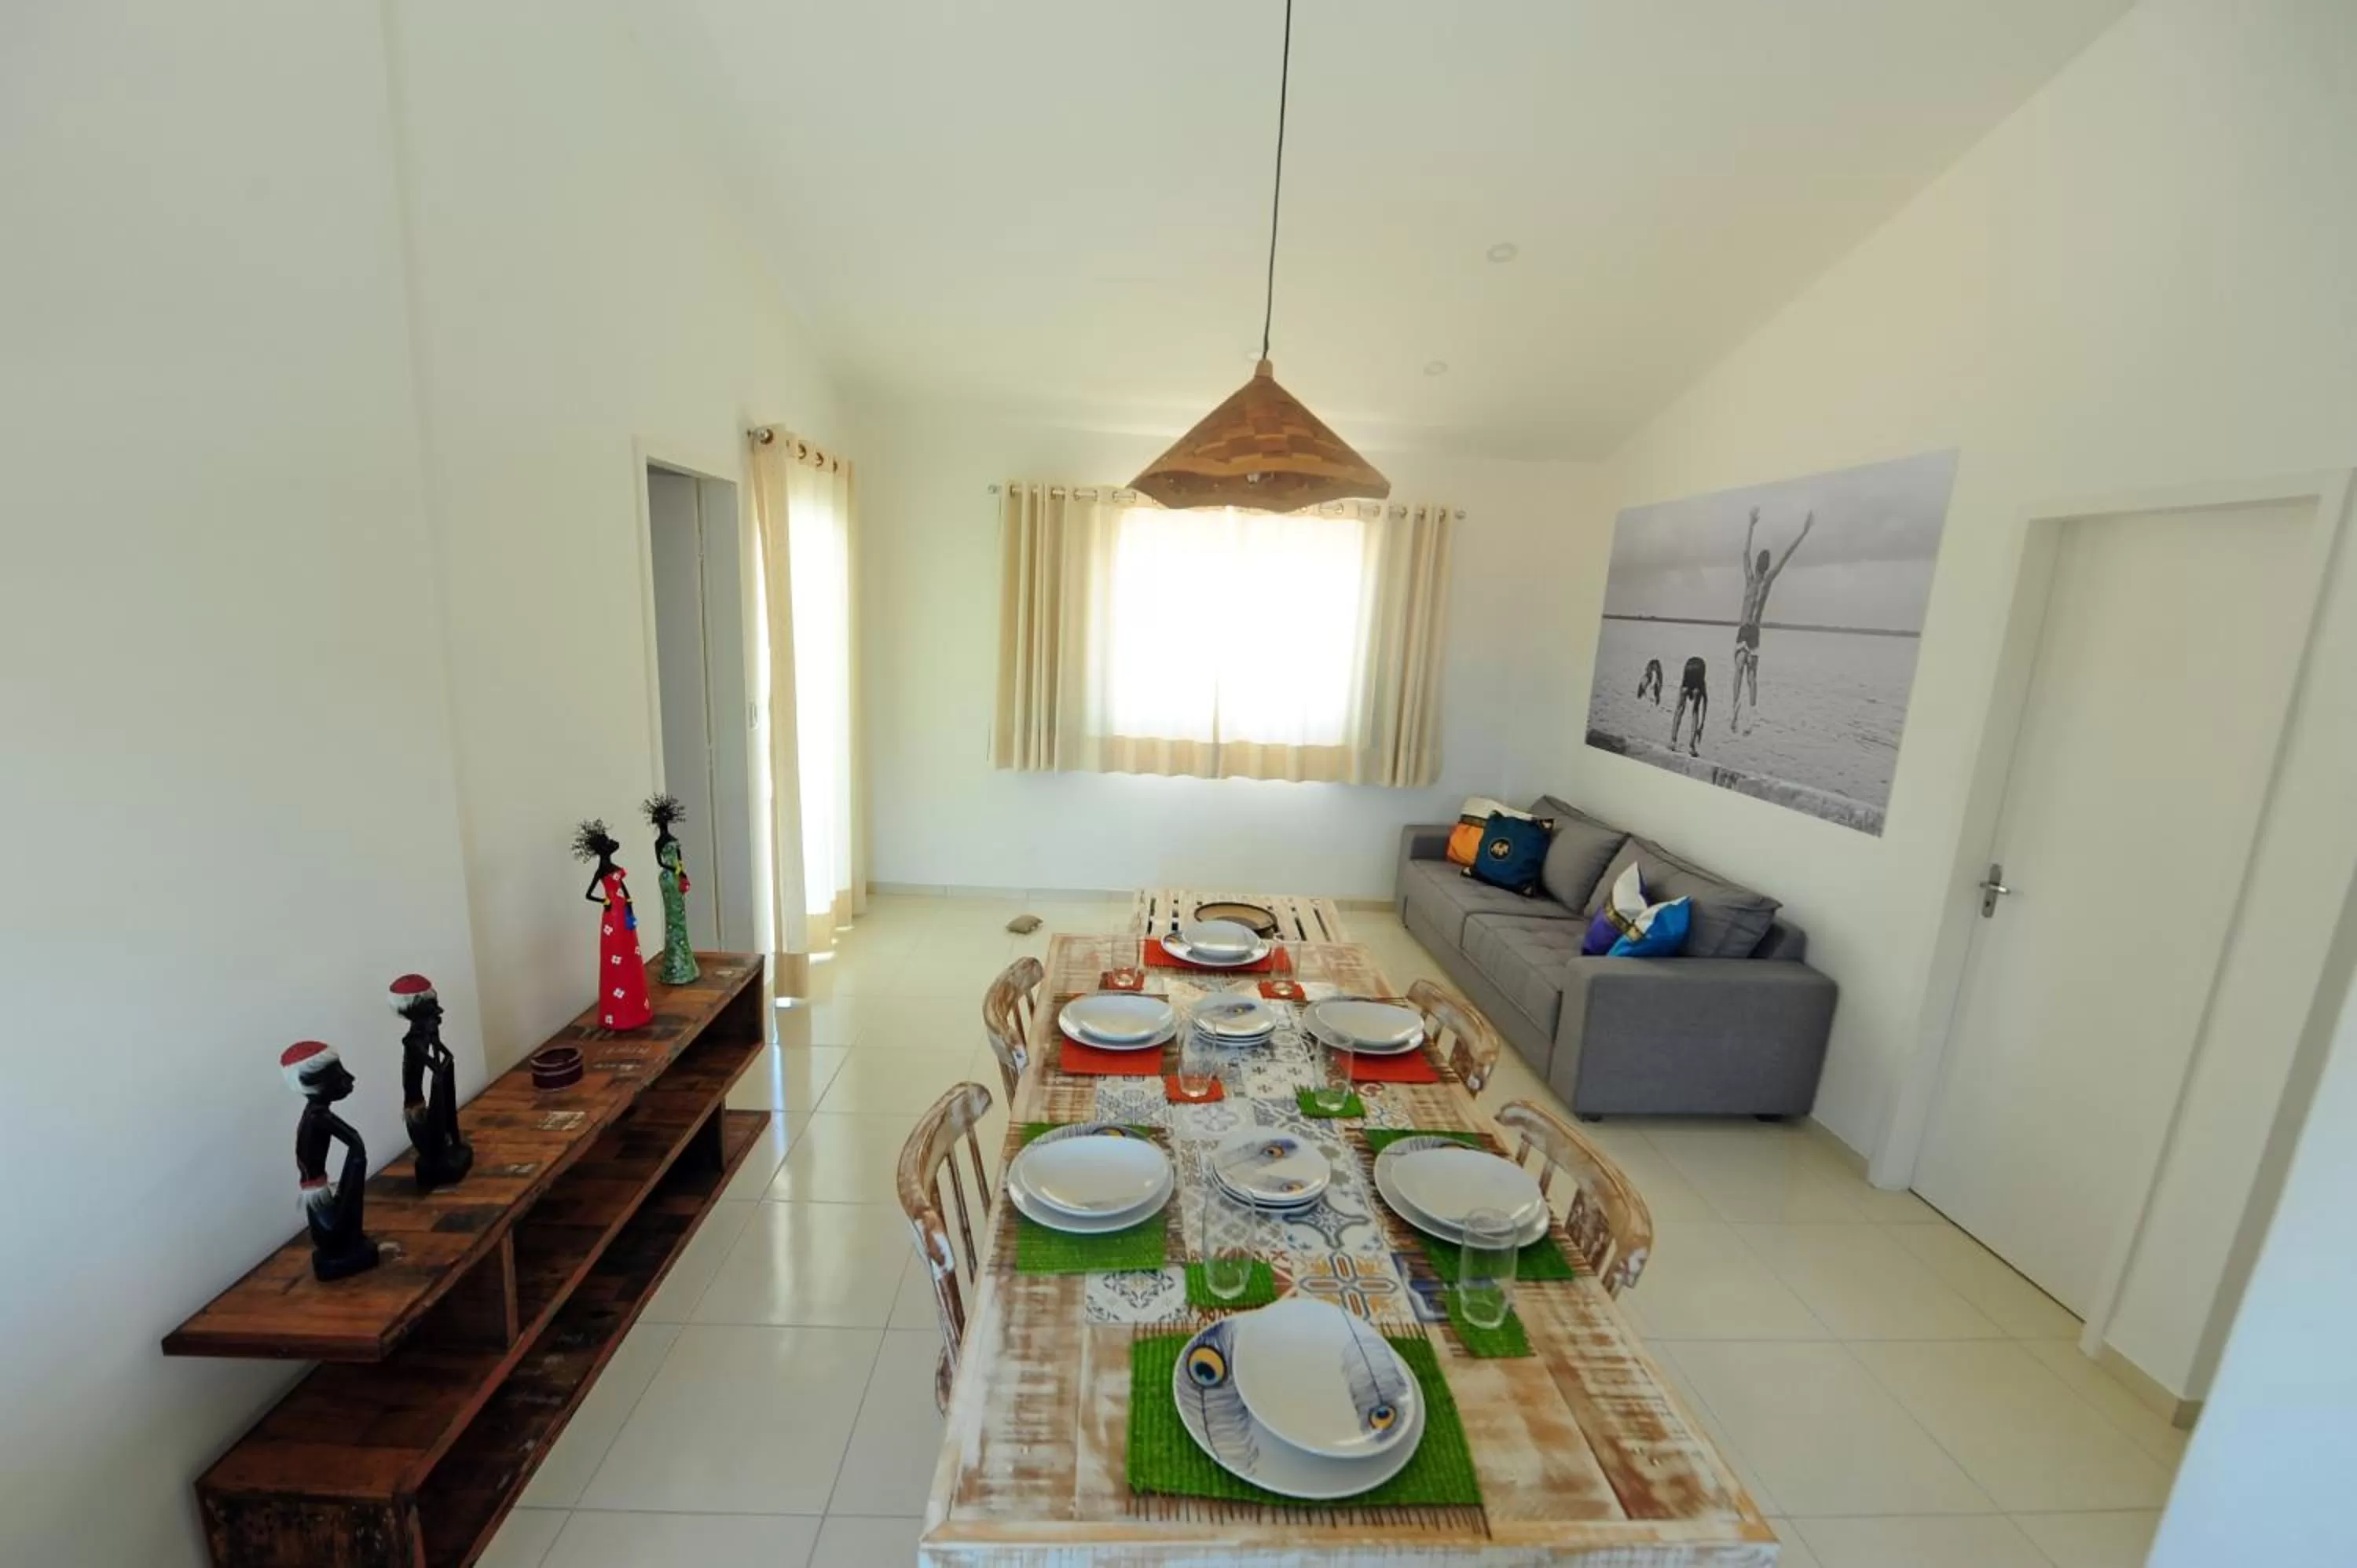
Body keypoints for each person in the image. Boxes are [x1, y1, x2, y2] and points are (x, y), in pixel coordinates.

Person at [1731, 506, 1813, 731]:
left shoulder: (1764, 581)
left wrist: (1803, 533)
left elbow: (1785, 556)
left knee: (1748, 674)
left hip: (1751, 631)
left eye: (1762, 562)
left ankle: (1750, 715)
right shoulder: (1751, 579)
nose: (1761, 564)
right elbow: (1745, 553)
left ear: (1763, 565)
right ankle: (1738, 712)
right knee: (1742, 672)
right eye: (1762, 561)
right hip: (1746, 631)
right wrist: (1750, 525)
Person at [1670, 656, 1708, 757]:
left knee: (1679, 709)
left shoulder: (1685, 685)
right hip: (1696, 675)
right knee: (1695, 712)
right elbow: (1705, 702)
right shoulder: (1701, 685)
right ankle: (1691, 746)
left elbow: (1678, 709)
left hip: (1688, 675)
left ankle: (1673, 740)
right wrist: (1701, 725)